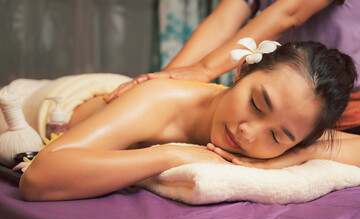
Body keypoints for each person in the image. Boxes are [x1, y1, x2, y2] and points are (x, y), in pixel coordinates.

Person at [19, 41, 358, 201]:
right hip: (49, 103)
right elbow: (38, 179)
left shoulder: (295, 124)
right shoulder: (160, 100)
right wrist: (171, 154)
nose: (248, 132)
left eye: (278, 137)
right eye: (256, 104)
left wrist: (294, 156)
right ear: (241, 71)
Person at [104, 0, 360, 132]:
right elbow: (224, 20)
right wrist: (159, 86)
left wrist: (204, 69)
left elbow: (288, 12)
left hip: (345, 113)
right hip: (281, 105)